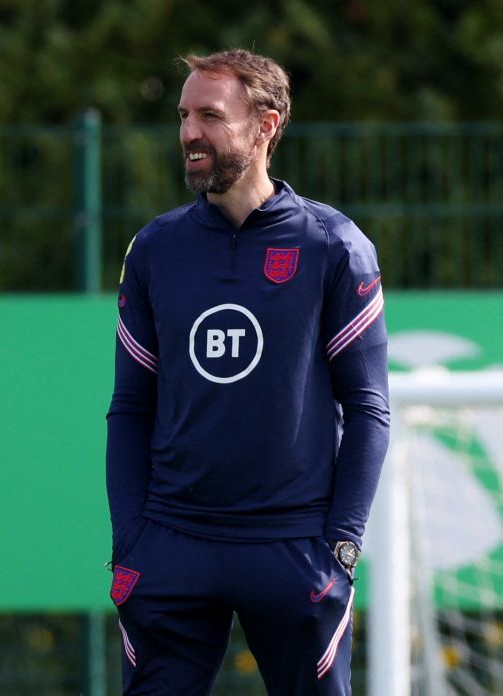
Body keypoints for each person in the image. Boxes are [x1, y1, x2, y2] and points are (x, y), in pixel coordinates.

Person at [106, 48, 390, 695]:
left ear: (266, 125)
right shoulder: (157, 249)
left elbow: (369, 409)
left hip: (292, 549)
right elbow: (130, 408)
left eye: (209, 115)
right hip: (174, 545)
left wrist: (340, 552)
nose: (188, 133)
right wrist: (132, 547)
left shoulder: (333, 246)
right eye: (183, 115)